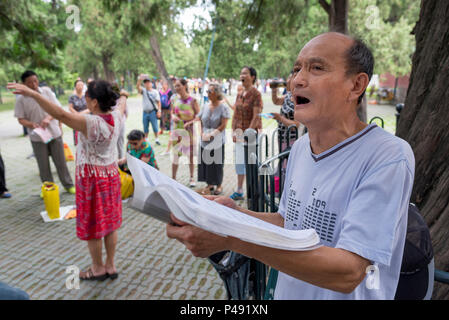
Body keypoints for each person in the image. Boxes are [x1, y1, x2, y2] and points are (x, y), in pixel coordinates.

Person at [166, 32, 415, 300]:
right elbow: (288, 222)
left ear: (356, 85)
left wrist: (232, 238)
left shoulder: (388, 156)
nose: (297, 80)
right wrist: (235, 214)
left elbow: (350, 272)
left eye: (316, 68)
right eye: (296, 69)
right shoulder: (299, 148)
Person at [8, 79, 129, 281]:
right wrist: (123, 94)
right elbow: (122, 102)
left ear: (94, 102)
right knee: (110, 224)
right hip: (110, 175)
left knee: (93, 226)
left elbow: (61, 114)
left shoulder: (90, 123)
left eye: (88, 97)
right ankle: (111, 266)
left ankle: (98, 268)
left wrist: (34, 94)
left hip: (92, 180)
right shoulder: (117, 117)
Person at [14, 70, 75, 197]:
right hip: (37, 136)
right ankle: (48, 189)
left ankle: (68, 185)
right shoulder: (21, 99)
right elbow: (20, 119)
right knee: (43, 165)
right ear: (24, 84)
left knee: (61, 162)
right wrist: (32, 125)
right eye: (30, 82)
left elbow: (58, 109)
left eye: (35, 81)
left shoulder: (47, 92)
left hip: (53, 133)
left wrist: (49, 118)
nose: (34, 84)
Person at [185, 83, 230, 196]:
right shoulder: (205, 105)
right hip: (204, 139)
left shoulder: (223, 107)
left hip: (217, 139)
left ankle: (219, 185)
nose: (208, 94)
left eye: (210, 91)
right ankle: (209, 184)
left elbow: (223, 125)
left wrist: (212, 134)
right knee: (206, 162)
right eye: (207, 92)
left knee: (217, 163)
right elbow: (199, 118)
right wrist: (201, 133)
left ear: (217, 93)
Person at [230, 66, 263, 200]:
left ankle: (254, 192)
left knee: (252, 163)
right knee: (239, 162)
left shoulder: (256, 94)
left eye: (245, 73)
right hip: (239, 134)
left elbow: (256, 116)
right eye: (241, 73)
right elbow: (236, 114)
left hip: (251, 136)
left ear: (252, 77)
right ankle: (239, 190)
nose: (242, 76)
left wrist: (247, 134)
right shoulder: (240, 93)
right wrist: (234, 131)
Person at [170, 78, 200, 186]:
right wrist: (173, 117)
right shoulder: (174, 100)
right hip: (177, 130)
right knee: (176, 154)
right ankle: (173, 178)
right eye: (175, 86)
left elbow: (198, 116)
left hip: (189, 131)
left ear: (184, 86)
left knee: (190, 155)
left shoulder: (193, 100)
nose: (176, 88)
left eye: (178, 85)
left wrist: (190, 122)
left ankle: (192, 178)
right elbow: (172, 112)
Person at [271, 72, 303, 152]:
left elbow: (296, 125)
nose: (287, 81)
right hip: (282, 136)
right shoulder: (288, 95)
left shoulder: (299, 99)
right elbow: (276, 101)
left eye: (290, 78)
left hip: (292, 139)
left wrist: (280, 118)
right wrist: (274, 90)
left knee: (287, 161)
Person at [136, 74, 161, 145]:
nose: (147, 84)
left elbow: (159, 102)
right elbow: (138, 87)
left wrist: (159, 111)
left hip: (152, 111)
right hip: (145, 112)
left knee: (155, 126)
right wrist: (139, 80)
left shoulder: (155, 92)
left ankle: (157, 139)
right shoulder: (143, 91)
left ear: (151, 84)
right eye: (145, 83)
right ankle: (146, 139)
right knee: (145, 126)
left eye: (148, 82)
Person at [68, 79, 89, 145]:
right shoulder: (72, 97)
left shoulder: (86, 96)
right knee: (77, 138)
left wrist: (81, 114)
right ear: (75, 86)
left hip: (86, 118)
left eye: (82, 85)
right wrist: (77, 114)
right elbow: (70, 108)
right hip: (76, 119)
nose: (80, 86)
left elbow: (90, 108)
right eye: (78, 85)